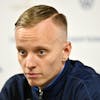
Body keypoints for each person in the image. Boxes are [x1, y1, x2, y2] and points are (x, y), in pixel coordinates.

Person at [0, 4, 100, 100]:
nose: (29, 64)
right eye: (22, 52)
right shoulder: (14, 88)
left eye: (41, 52)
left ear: (65, 51)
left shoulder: (88, 89)